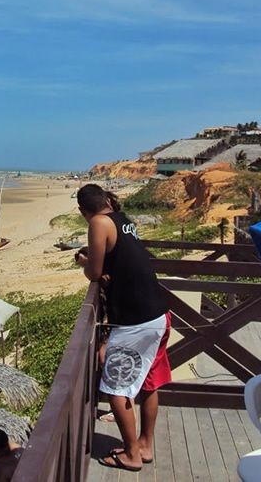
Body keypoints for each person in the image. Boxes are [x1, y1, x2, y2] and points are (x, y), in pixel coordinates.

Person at [74, 184, 171, 472]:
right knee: (148, 383)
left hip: (135, 321)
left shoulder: (98, 222)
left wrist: (84, 262)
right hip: (158, 314)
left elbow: (94, 271)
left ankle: (131, 454)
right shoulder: (122, 219)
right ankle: (145, 444)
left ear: (82, 211)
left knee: (116, 388)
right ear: (106, 200)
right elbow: (123, 259)